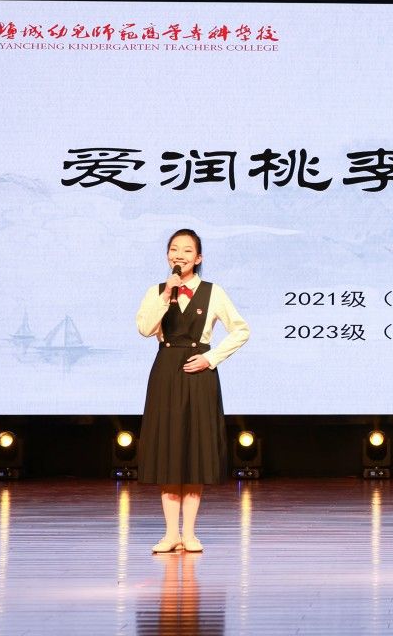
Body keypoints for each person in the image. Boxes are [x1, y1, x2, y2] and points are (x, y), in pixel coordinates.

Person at [136, 229, 250, 554]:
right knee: (169, 450)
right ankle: (170, 533)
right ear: (167, 256)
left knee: (194, 450)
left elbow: (241, 330)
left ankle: (189, 533)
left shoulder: (214, 292)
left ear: (198, 258)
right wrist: (165, 296)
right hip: (166, 373)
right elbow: (144, 329)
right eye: (174, 249)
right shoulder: (157, 291)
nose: (180, 255)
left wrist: (211, 358)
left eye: (187, 251)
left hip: (199, 373)